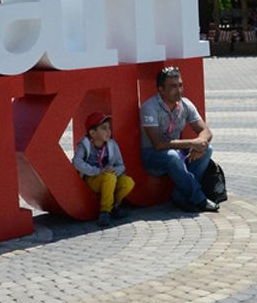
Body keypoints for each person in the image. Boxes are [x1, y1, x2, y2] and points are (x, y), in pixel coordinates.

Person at [140, 65, 218, 213]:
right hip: (152, 156)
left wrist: (200, 144)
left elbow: (206, 131)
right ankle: (199, 199)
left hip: (175, 152)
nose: (179, 90)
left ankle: (180, 195)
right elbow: (158, 144)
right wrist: (192, 143)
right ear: (161, 89)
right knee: (172, 156)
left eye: (180, 85)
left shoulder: (185, 104)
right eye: (173, 86)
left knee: (207, 148)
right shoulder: (149, 107)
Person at [72, 112, 134, 227]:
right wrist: (96, 171)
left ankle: (115, 205)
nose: (108, 131)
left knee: (128, 182)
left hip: (110, 178)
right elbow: (76, 162)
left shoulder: (112, 144)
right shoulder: (84, 144)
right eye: (104, 128)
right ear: (93, 133)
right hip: (93, 179)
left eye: (109, 128)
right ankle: (105, 212)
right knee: (109, 178)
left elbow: (121, 165)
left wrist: (115, 170)